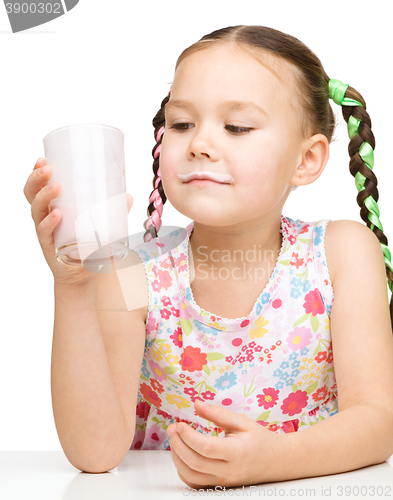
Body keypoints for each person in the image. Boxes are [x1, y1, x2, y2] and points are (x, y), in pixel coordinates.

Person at [24, 25, 393, 489]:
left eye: (237, 126)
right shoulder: (134, 269)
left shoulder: (340, 254)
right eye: (181, 124)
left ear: (307, 160)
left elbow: (378, 423)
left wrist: (274, 460)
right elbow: (95, 455)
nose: (199, 143)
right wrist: (74, 283)